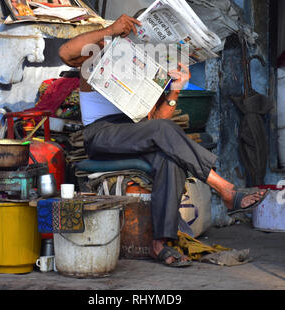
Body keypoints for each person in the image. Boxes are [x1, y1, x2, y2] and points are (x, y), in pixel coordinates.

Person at [59, 14, 267, 267]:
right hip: (101, 134)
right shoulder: (99, 54)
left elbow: (157, 119)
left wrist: (176, 89)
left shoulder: (149, 68)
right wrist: (111, 30)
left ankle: (160, 243)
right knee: (161, 130)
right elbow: (65, 52)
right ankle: (224, 188)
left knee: (169, 159)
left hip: (138, 134)